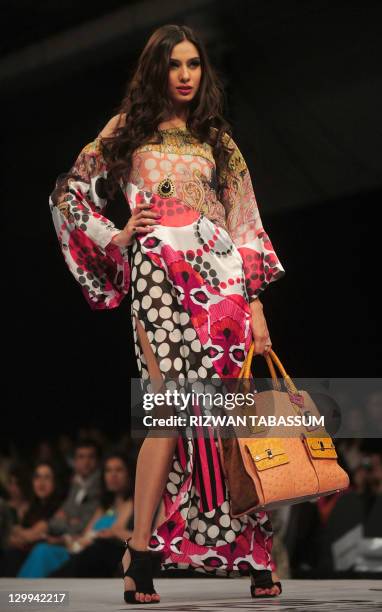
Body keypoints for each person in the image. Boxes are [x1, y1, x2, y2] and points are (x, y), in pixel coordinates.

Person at [49, 24, 286, 604]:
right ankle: (141, 551)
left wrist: (254, 301)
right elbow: (68, 195)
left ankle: (253, 550)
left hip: (222, 290)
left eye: (194, 64)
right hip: (157, 280)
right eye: (174, 65)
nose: (185, 75)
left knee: (230, 417)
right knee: (168, 413)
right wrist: (118, 232)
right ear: (155, 70)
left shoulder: (217, 139)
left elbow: (244, 221)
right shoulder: (126, 132)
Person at [18, 451, 134, 578]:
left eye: (119, 470)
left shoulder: (131, 503)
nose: (113, 475)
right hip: (79, 549)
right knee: (43, 548)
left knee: (44, 552)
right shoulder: (103, 506)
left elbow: (117, 532)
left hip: (98, 555)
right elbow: (84, 536)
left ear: (129, 473)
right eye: (108, 470)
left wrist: (111, 533)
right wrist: (61, 540)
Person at [0, 461, 63, 576]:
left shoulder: (59, 508)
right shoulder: (32, 508)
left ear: (55, 482)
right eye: (37, 477)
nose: (41, 483)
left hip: (42, 558)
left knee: (12, 555)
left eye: (47, 478)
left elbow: (29, 536)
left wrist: (15, 532)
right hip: (23, 553)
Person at [46, 439, 101, 539]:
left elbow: (82, 527)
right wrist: (69, 520)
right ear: (74, 461)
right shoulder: (75, 484)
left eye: (91, 457)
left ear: (97, 460)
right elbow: (54, 521)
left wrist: (66, 519)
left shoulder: (101, 487)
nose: (86, 462)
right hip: (66, 537)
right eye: (81, 457)